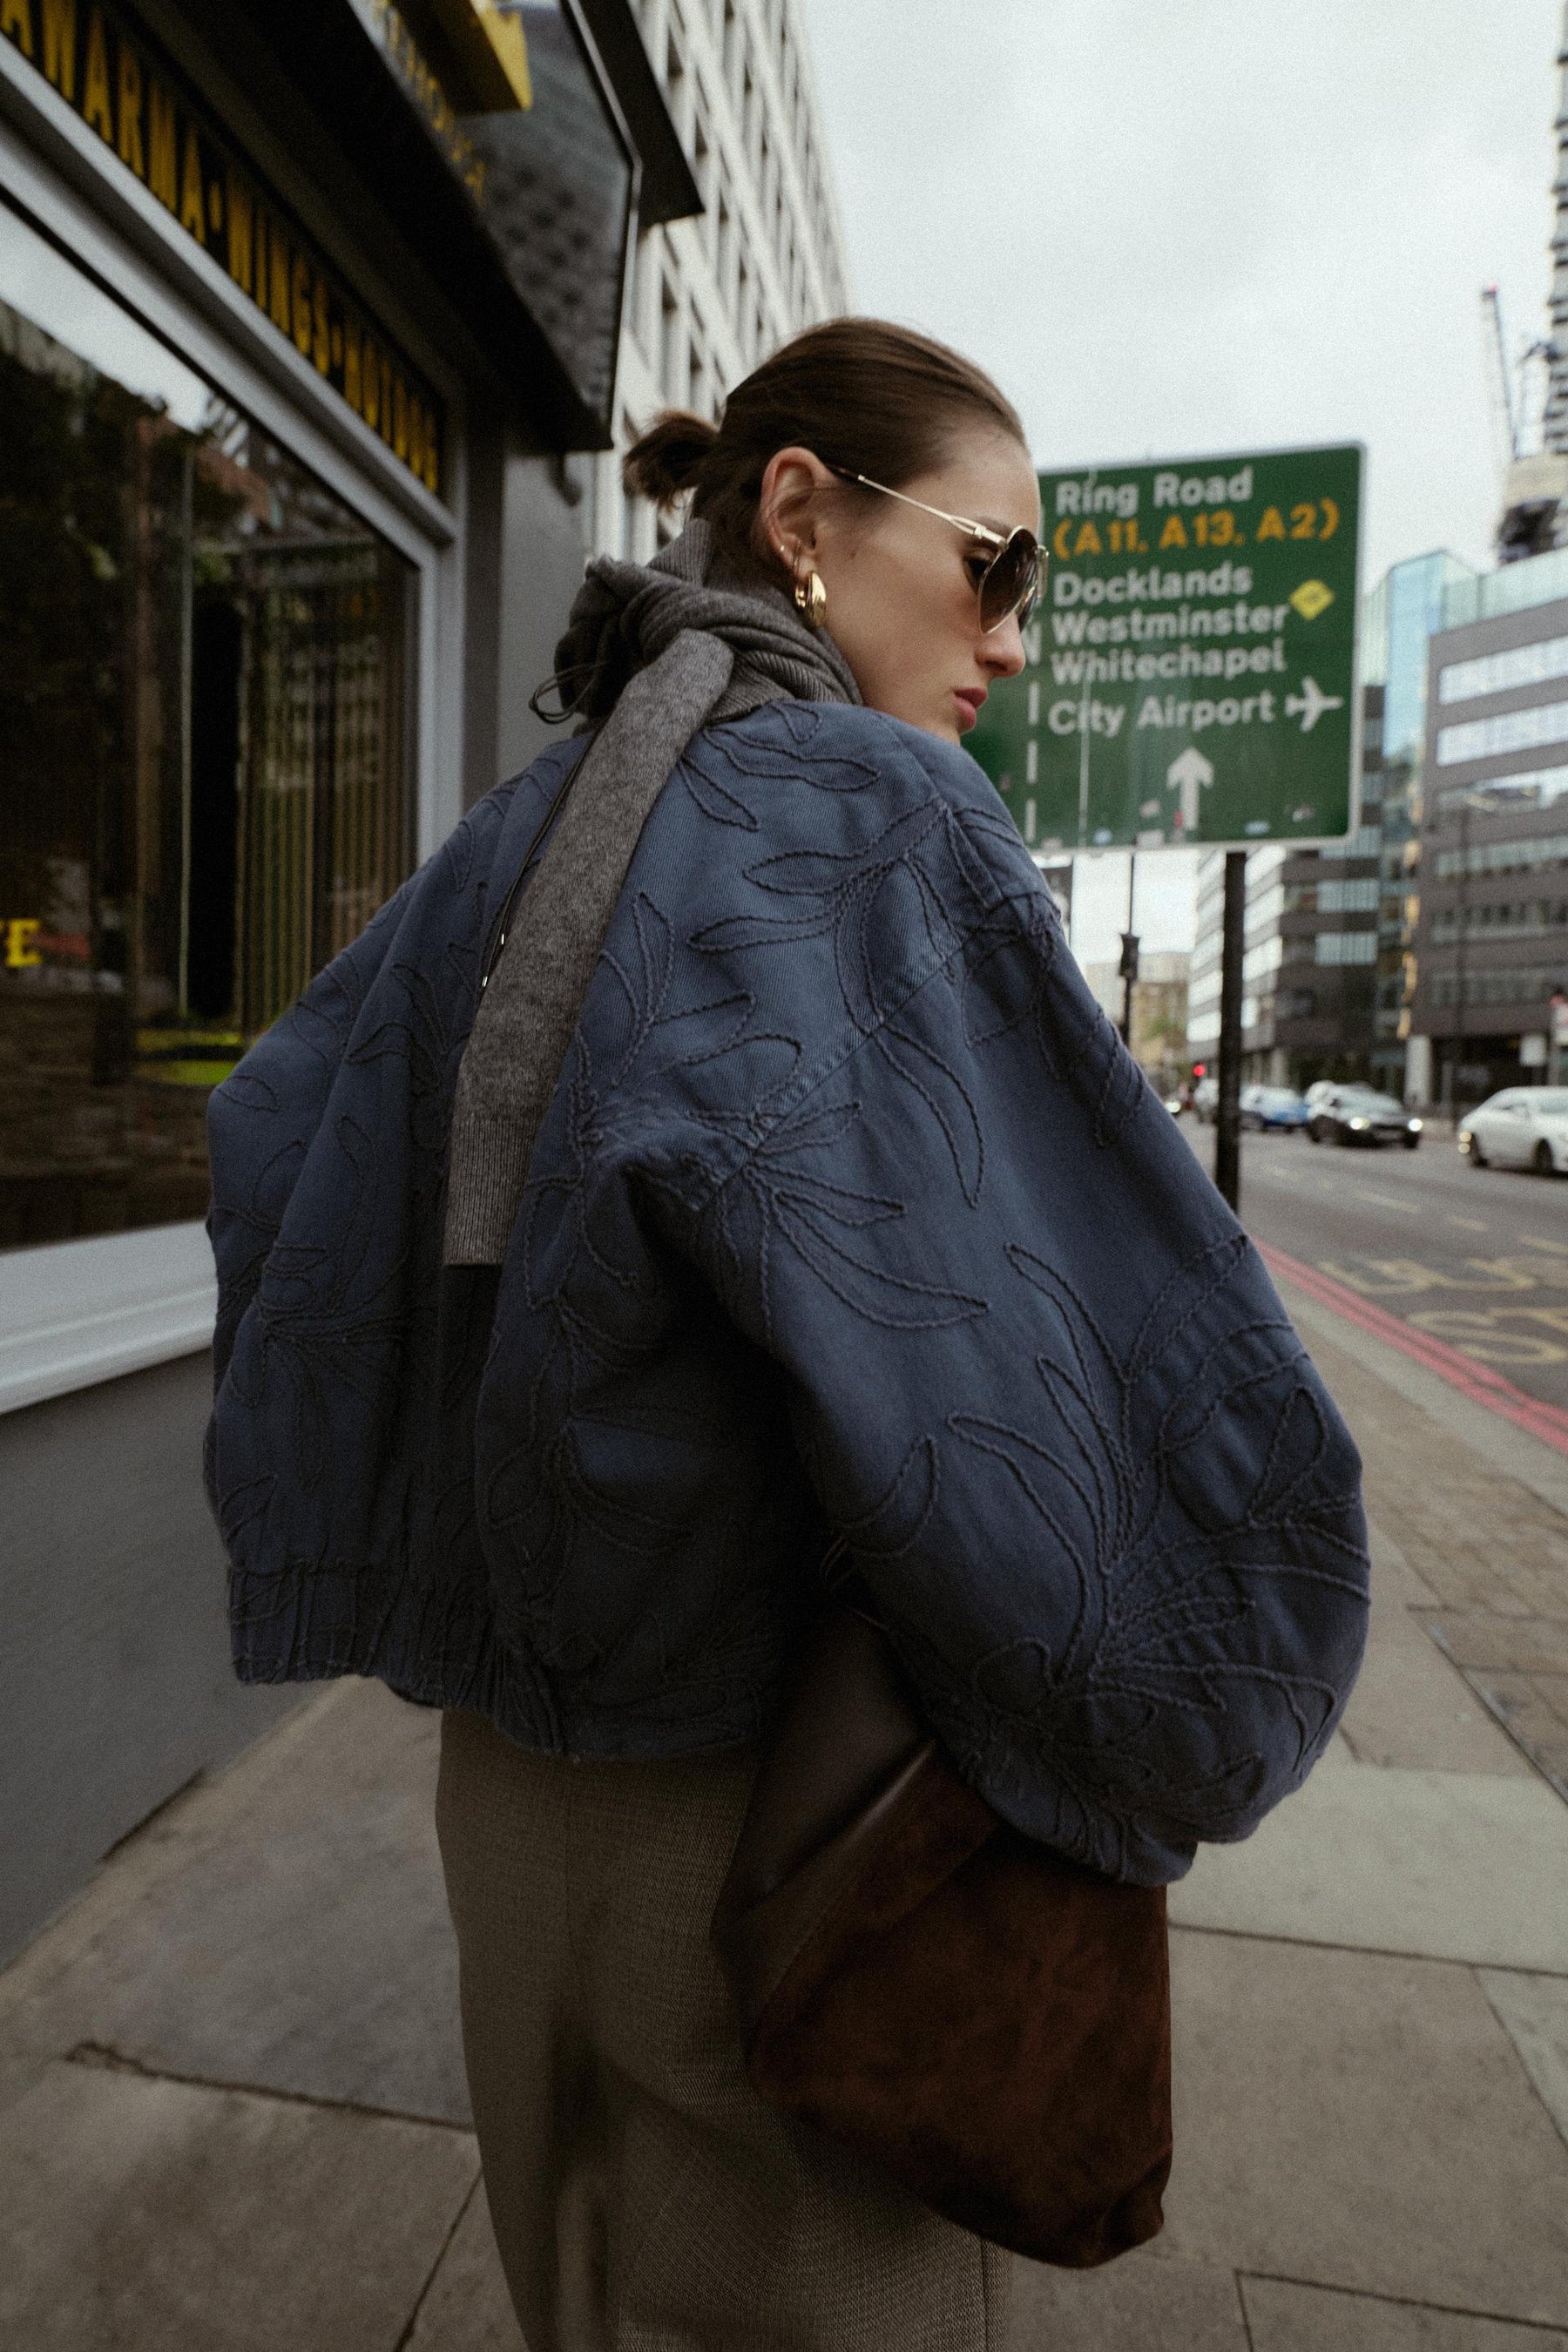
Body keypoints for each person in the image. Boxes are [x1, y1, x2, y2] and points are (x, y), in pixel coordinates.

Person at [205, 320, 1369, 2351]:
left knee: (568, 2287)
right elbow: (1053, 1361)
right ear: (806, 516)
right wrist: (1222, 1678)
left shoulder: (526, 822)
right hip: (775, 1838)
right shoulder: (857, 816)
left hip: (512, 1817)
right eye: (995, 566)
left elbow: (276, 1142)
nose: (1013, 639)